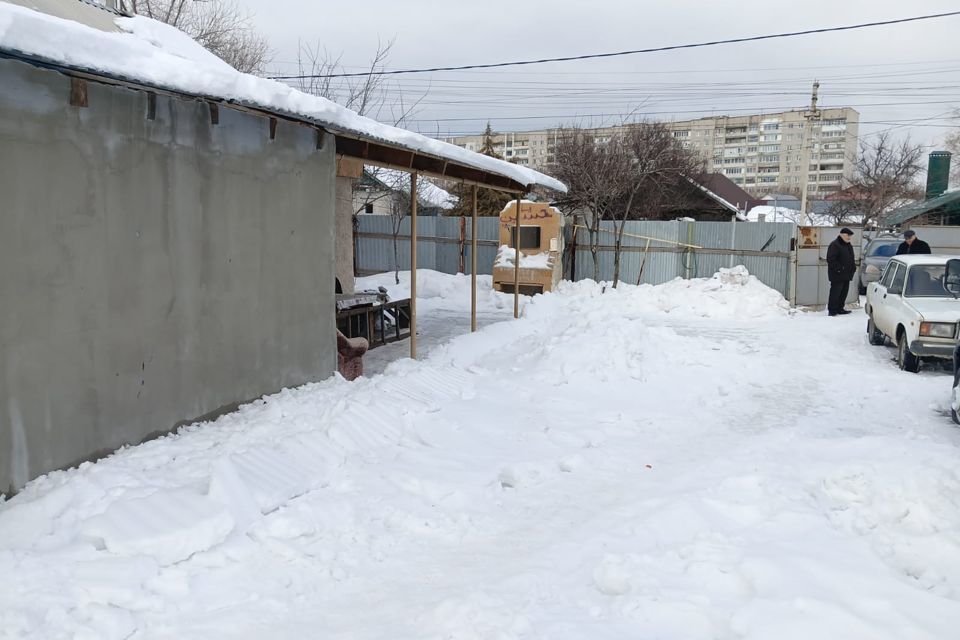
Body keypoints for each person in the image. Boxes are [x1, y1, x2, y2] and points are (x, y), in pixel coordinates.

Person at [826, 228, 856, 316]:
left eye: (850, 236)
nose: (849, 237)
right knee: (835, 293)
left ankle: (840, 308)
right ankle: (832, 310)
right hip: (837, 275)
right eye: (848, 235)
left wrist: (853, 268)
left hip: (847, 274)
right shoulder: (835, 245)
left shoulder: (848, 245)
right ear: (842, 234)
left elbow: (851, 258)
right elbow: (831, 259)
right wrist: (839, 269)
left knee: (843, 293)